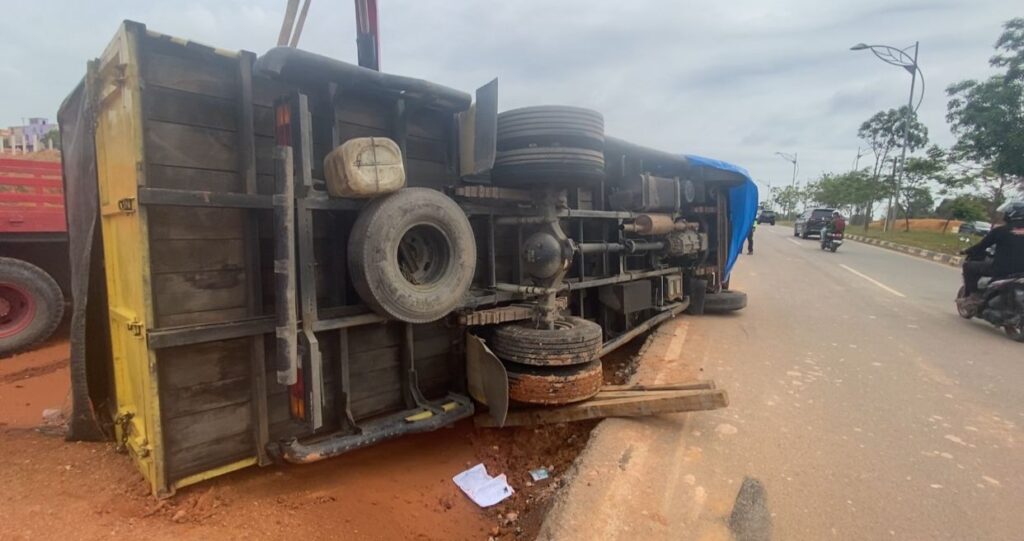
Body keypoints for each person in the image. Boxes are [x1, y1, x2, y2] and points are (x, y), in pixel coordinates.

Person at [959, 201, 1024, 307]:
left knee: (968, 266)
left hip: (1001, 269)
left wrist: (967, 251)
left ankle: (972, 296)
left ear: (1013, 214)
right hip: (1021, 272)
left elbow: (981, 246)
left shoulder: (1001, 231)